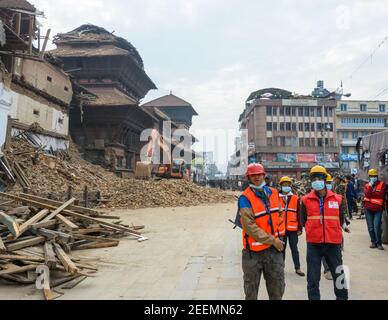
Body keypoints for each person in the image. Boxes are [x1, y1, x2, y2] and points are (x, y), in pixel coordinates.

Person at [301, 165, 350, 300]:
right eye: (314, 178)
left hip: (333, 244)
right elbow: (303, 220)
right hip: (314, 245)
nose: (317, 180)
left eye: (319, 178)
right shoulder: (305, 200)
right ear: (311, 181)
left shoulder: (337, 199)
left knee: (339, 276)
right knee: (312, 279)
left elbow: (340, 220)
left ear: (324, 179)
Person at [238, 163, 285, 300]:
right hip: (252, 254)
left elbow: (280, 214)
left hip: (273, 252)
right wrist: (273, 240)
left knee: (277, 290)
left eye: (259, 174)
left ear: (264, 175)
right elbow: (249, 227)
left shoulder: (275, 193)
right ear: (249, 178)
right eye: (253, 175)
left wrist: (280, 234)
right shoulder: (245, 198)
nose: (257, 177)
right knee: (251, 293)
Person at [278, 176, 305, 277]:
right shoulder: (276, 197)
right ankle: (281, 268)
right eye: (284, 185)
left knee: (294, 249)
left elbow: (299, 214)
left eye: (288, 185)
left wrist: (300, 228)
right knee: (282, 249)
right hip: (281, 229)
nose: (286, 186)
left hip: (293, 229)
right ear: (281, 186)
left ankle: (297, 268)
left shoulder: (295, 198)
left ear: (290, 186)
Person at [364, 169, 386, 250]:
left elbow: (381, 195)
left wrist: (372, 194)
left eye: (374, 176)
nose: (373, 177)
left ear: (377, 176)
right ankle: (373, 242)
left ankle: (379, 243)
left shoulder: (382, 184)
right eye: (371, 176)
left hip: (378, 209)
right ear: (369, 177)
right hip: (368, 209)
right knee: (371, 227)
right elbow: (367, 194)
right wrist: (370, 186)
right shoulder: (367, 185)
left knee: (376, 226)